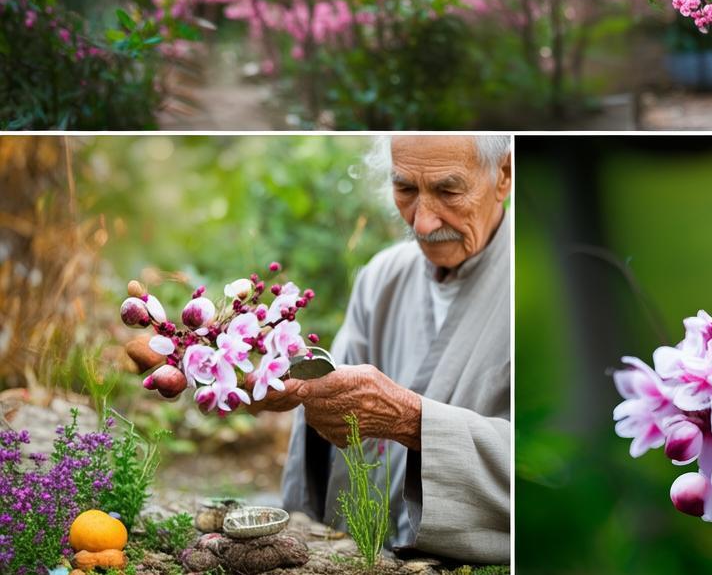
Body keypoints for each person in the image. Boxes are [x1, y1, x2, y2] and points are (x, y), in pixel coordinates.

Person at [127, 134, 511, 564]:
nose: (421, 223)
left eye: (448, 190)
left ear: (504, 176)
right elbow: (333, 398)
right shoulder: (382, 277)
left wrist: (411, 421)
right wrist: (282, 388)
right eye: (404, 189)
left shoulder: (533, 282)